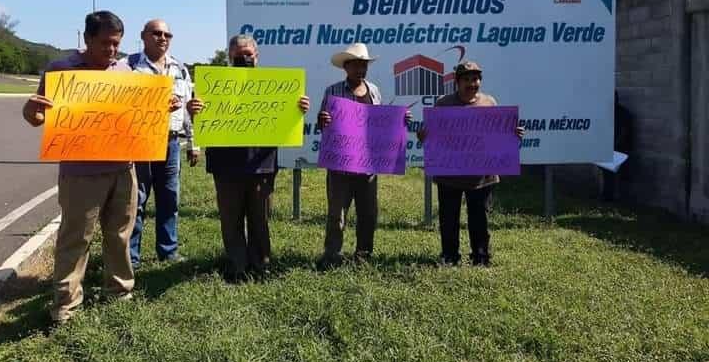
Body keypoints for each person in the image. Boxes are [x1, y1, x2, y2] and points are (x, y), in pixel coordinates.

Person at [21, 10, 138, 323]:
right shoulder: (61, 70)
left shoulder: (126, 72)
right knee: (76, 237)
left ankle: (119, 291)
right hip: (81, 173)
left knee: (120, 234)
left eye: (116, 44)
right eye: (105, 43)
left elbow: (138, 117)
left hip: (123, 169)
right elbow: (36, 117)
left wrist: (162, 107)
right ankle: (66, 305)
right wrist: (33, 110)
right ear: (86, 39)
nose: (112, 50)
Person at [187, 35, 310, 282]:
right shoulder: (214, 86)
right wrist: (194, 112)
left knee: (260, 219)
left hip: (262, 164)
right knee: (231, 220)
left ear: (257, 56)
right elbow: (200, 122)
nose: (244, 60)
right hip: (226, 164)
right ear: (229, 58)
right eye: (238, 56)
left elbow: (286, 123)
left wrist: (298, 109)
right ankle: (237, 266)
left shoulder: (275, 87)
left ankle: (261, 264)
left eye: (248, 55)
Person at [418, 61, 524, 267]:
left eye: (475, 79)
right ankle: (450, 257)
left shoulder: (490, 103)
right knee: (449, 218)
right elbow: (430, 137)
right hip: (450, 174)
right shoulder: (443, 104)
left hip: (482, 176)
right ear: (457, 82)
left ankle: (481, 257)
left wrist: (513, 135)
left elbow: (498, 136)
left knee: (480, 219)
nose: (471, 83)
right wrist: (424, 136)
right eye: (466, 79)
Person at [316, 42, 411, 269]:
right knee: (337, 215)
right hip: (340, 166)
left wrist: (399, 122)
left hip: (367, 167)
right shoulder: (332, 91)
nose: (360, 69)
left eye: (364, 65)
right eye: (356, 65)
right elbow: (323, 124)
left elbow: (380, 125)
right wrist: (323, 120)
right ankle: (332, 256)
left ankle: (363, 256)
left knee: (368, 214)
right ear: (345, 67)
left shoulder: (375, 91)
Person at [124, 19, 197, 268]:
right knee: (137, 200)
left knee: (169, 199)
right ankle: (131, 257)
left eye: (167, 34)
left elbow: (189, 110)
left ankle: (168, 250)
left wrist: (193, 144)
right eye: (156, 33)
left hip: (171, 142)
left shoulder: (180, 69)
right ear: (143, 36)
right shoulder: (128, 66)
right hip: (140, 142)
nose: (162, 38)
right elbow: (119, 104)